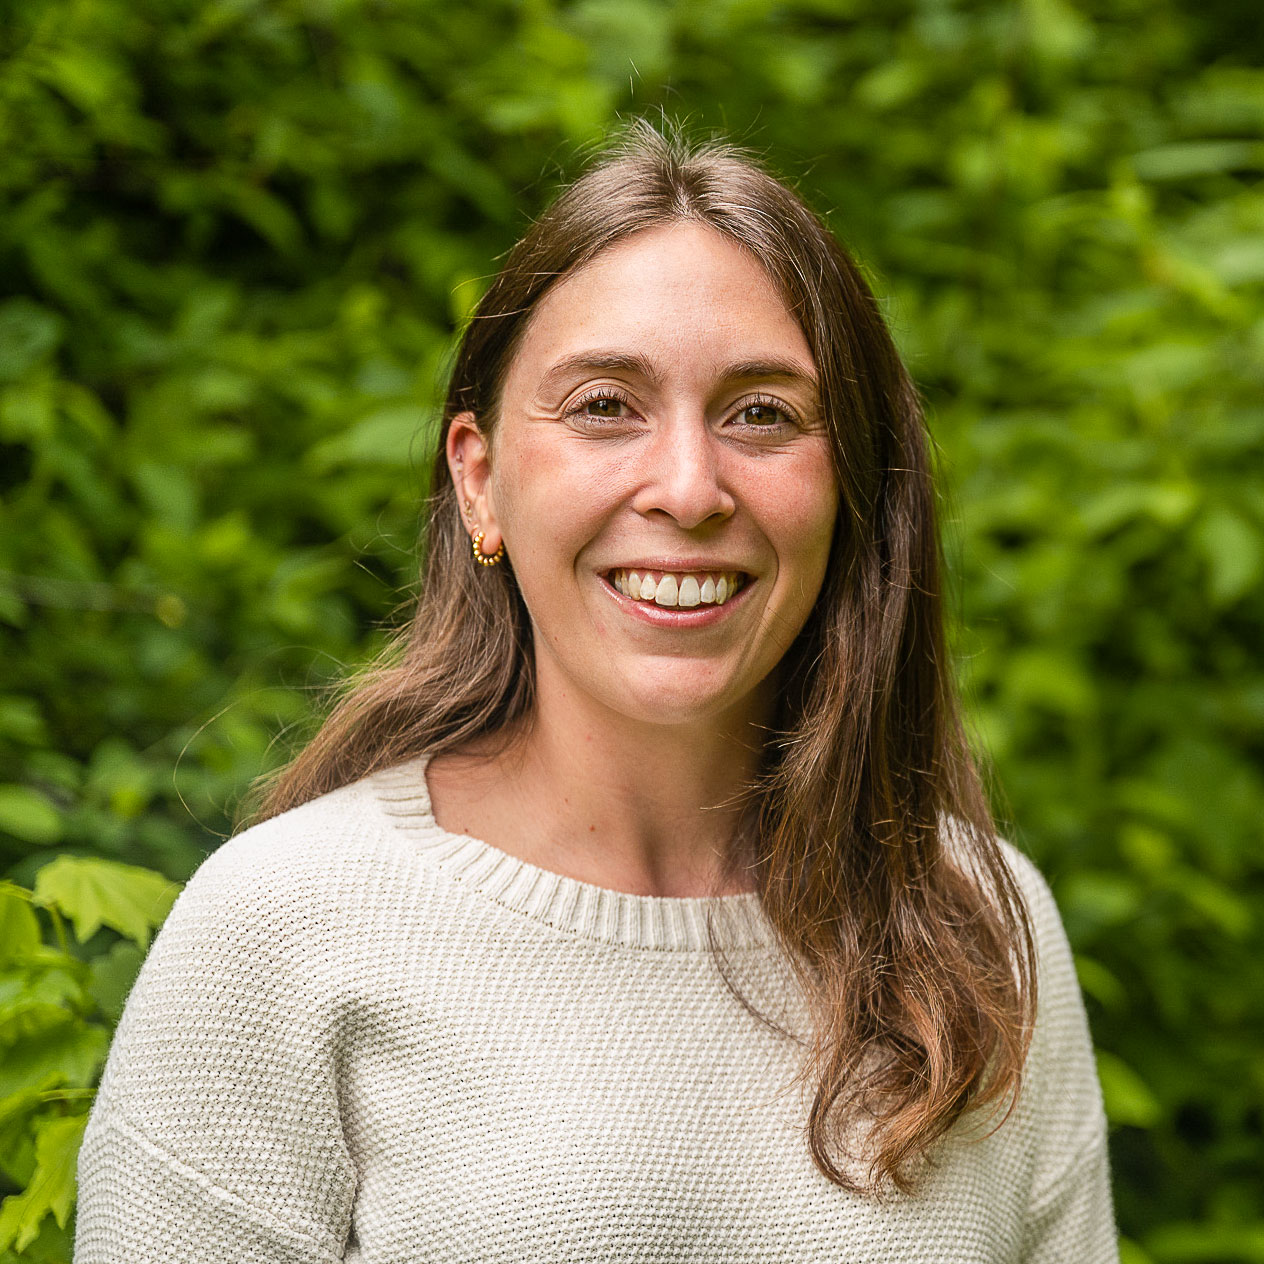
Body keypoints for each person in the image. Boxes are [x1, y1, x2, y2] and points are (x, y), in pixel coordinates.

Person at [74, 120, 1118, 1263]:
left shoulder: (970, 920)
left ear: (853, 485)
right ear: (478, 481)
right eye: (604, 405)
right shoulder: (283, 927)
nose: (687, 487)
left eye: (761, 412)